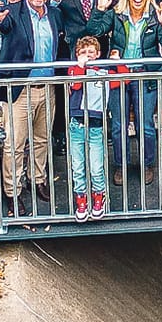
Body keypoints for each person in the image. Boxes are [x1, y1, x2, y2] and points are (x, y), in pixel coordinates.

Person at [0, 0, 68, 215]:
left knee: (42, 139)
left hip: (48, 87)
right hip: (21, 90)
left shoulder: (54, 14)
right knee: (15, 144)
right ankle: (12, 192)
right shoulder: (14, 12)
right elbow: (3, 24)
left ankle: (37, 178)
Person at [108, 0, 162, 180]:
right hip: (120, 75)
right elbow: (95, 30)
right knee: (119, 125)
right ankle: (122, 164)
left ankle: (146, 164)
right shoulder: (117, 14)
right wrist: (100, 10)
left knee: (145, 123)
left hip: (145, 76)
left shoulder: (156, 16)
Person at [63, 35, 117, 221]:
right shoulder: (74, 69)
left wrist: (117, 63)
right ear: (77, 54)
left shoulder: (104, 72)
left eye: (91, 53)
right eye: (83, 53)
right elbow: (75, 84)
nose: (87, 56)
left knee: (96, 167)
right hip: (77, 123)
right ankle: (81, 200)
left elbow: (123, 80)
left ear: (99, 54)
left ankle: (98, 198)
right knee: (78, 167)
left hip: (96, 125)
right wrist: (80, 65)